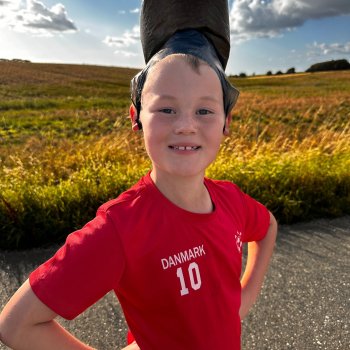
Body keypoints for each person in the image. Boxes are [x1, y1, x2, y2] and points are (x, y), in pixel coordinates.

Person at [0, 28, 277, 350]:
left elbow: (267, 226)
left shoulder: (231, 200)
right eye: (166, 109)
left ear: (226, 123)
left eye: (204, 111)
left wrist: (244, 298)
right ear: (137, 118)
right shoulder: (121, 228)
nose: (186, 125)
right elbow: (17, 325)